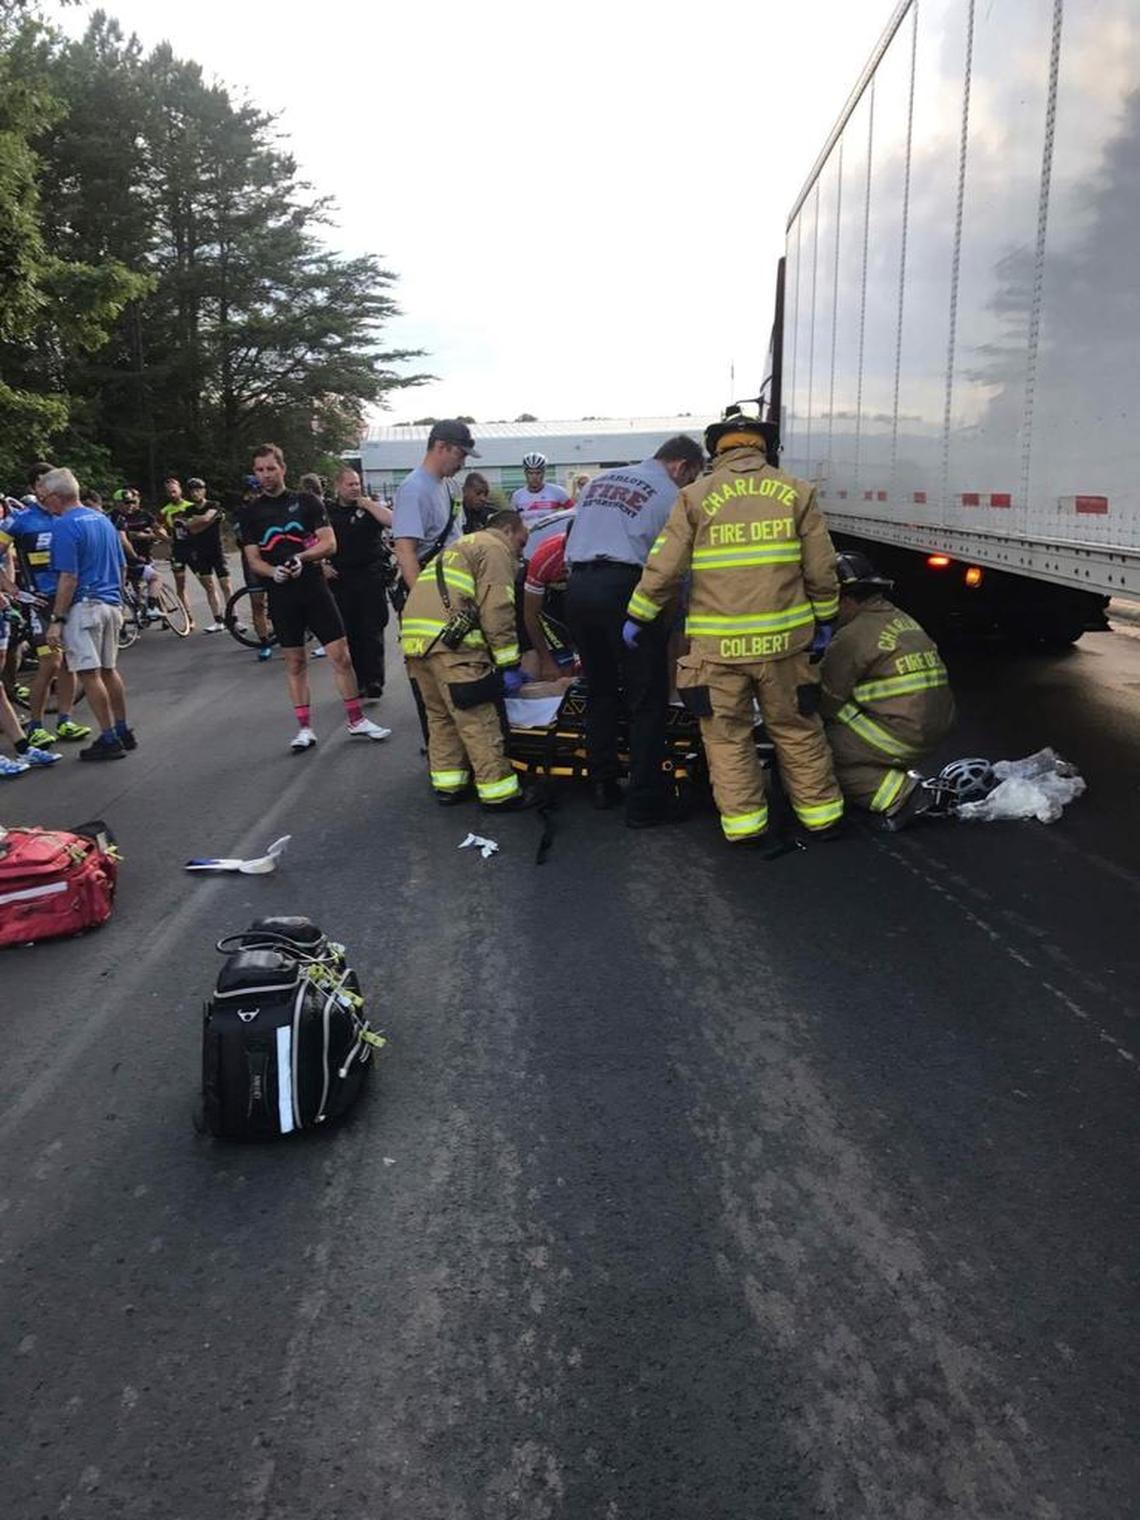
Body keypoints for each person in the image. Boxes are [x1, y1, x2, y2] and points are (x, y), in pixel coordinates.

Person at [623, 411, 845, 850]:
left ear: (717, 450)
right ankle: (822, 818)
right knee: (797, 728)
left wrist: (639, 616)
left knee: (726, 737)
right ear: (762, 446)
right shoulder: (797, 493)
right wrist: (826, 617)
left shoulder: (695, 496)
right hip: (785, 647)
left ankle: (745, 826)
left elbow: (664, 567)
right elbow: (821, 569)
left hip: (718, 652)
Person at [563, 435, 705, 825]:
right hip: (627, 591)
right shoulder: (672, 496)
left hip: (578, 590)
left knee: (600, 690)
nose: (690, 484)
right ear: (681, 466)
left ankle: (602, 785)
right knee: (646, 699)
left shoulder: (597, 483)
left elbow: (571, 539)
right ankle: (644, 803)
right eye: (692, 475)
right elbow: (676, 566)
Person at [235, 443, 390, 751]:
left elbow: (329, 544)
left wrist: (302, 558)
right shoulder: (250, 513)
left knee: (341, 656)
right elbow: (253, 559)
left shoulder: (306, 502)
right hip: (281, 594)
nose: (265, 475)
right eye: (259, 470)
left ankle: (356, 720)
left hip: (314, 589)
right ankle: (304, 728)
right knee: (294, 663)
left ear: (283, 469)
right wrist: (272, 572)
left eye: (271, 468)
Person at [400, 508, 536, 810]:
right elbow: (497, 608)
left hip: (416, 642)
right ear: (510, 530)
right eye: (522, 543)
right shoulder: (495, 548)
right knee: (477, 718)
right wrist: (509, 663)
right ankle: (499, 793)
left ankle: (449, 785)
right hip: (453, 646)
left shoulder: (462, 546)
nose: (520, 552)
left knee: (441, 717)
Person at [819, 551, 956, 830]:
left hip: (899, 736)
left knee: (808, 754)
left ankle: (901, 796)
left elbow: (827, 699)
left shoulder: (852, 636)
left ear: (844, 599)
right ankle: (889, 774)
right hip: (933, 726)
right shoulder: (902, 619)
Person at [40, 467, 135, 761]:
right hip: (110, 603)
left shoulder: (65, 525)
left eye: (45, 499)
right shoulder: (103, 520)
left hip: (85, 606)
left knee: (89, 673)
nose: (45, 505)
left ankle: (108, 738)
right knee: (109, 669)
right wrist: (118, 597)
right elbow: (121, 565)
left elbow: (68, 577)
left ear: (57, 497)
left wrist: (56, 620)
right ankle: (122, 729)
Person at [0, 461, 91, 748]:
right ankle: (37, 725)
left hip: (70, 599)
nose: (45, 489)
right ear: (33, 488)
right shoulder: (20, 519)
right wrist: (11, 588)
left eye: (50, 482)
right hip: (38, 601)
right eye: (40, 483)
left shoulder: (69, 515)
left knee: (69, 662)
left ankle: (65, 720)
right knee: (50, 662)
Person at [326, 466, 393, 700]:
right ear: (338, 486)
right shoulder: (327, 512)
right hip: (341, 578)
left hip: (370, 576)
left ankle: (374, 680)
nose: (355, 488)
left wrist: (368, 504)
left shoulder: (369, 508)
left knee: (372, 629)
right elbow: (310, 540)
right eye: (350, 484)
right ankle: (358, 681)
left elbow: (392, 520)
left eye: (357, 484)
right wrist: (321, 566)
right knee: (350, 631)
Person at [391, 419, 479, 593]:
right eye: (460, 455)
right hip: (430, 589)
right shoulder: (414, 489)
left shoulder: (452, 486)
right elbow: (405, 551)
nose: (462, 464)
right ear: (440, 447)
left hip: (452, 585)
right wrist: (424, 600)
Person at [180, 478, 236, 632]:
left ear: (204, 490)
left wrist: (200, 521)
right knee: (209, 586)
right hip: (200, 551)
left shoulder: (213, 504)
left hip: (216, 549)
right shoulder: (189, 509)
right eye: (192, 491)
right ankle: (218, 620)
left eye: (198, 489)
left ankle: (233, 618)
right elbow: (191, 528)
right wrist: (209, 521)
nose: (195, 493)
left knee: (225, 584)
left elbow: (201, 520)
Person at [521, 528, 574, 681]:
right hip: (552, 603)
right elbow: (530, 614)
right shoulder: (545, 557)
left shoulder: (598, 552)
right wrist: (546, 661)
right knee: (562, 672)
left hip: (582, 598)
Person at [510, 452, 570, 532]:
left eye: (538, 473)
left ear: (544, 472)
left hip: (551, 539)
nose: (534, 477)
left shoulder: (558, 492)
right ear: (525, 474)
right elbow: (514, 523)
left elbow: (574, 513)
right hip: (528, 540)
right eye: (530, 473)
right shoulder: (517, 496)